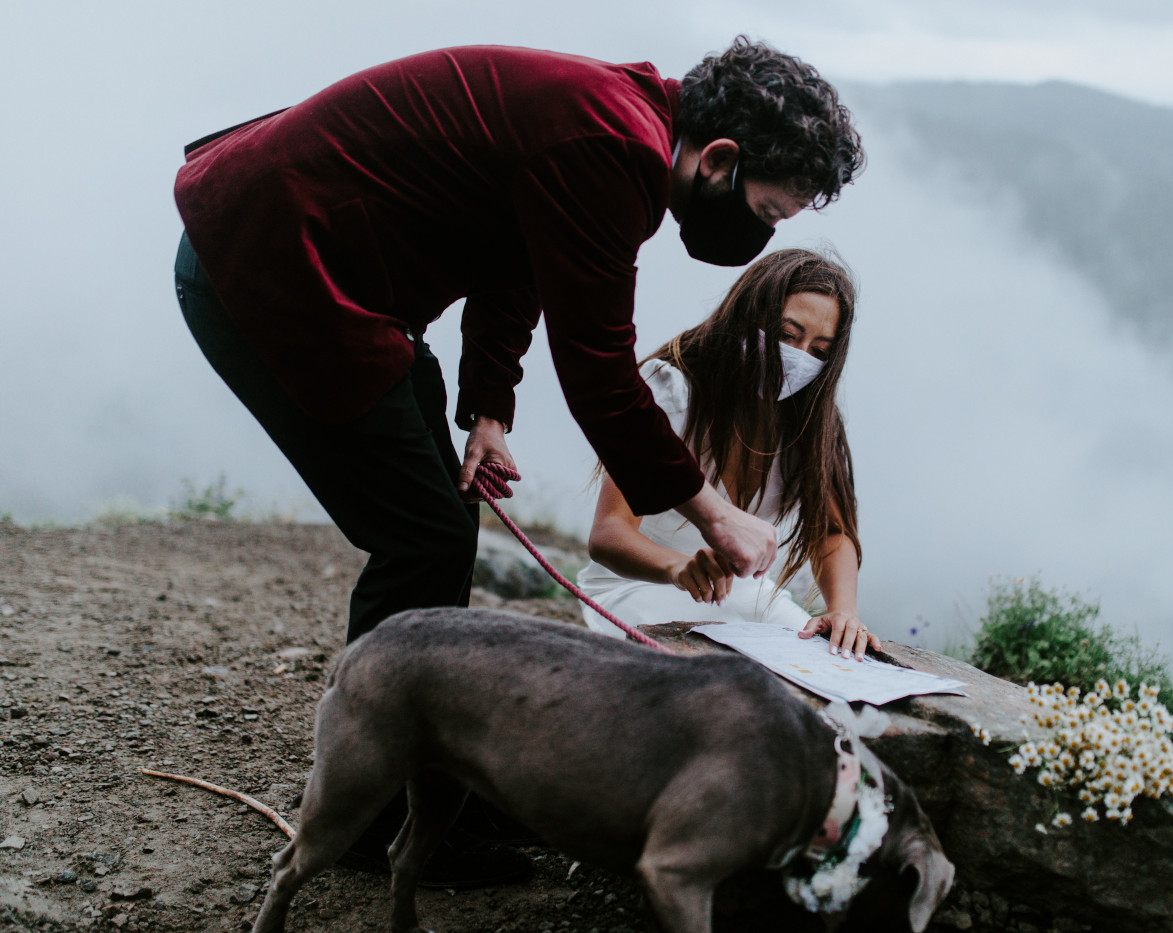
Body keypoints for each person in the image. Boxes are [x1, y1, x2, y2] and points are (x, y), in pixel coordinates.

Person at [171, 38, 863, 886]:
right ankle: (369, 809)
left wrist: (488, 406)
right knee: (421, 536)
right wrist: (712, 512)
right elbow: (601, 372)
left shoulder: (618, 127)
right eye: (766, 210)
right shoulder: (613, 145)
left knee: (441, 524)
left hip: (327, 266)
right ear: (719, 159)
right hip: (267, 258)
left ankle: (422, 783)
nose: (759, 235)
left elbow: (522, 254)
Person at [578, 249, 882, 661]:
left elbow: (832, 532)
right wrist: (676, 567)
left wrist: (843, 609)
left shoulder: (813, 420)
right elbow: (609, 534)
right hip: (645, 585)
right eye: (787, 335)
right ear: (748, 314)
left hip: (750, 597)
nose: (799, 357)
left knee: (836, 666)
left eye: (819, 350)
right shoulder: (674, 389)